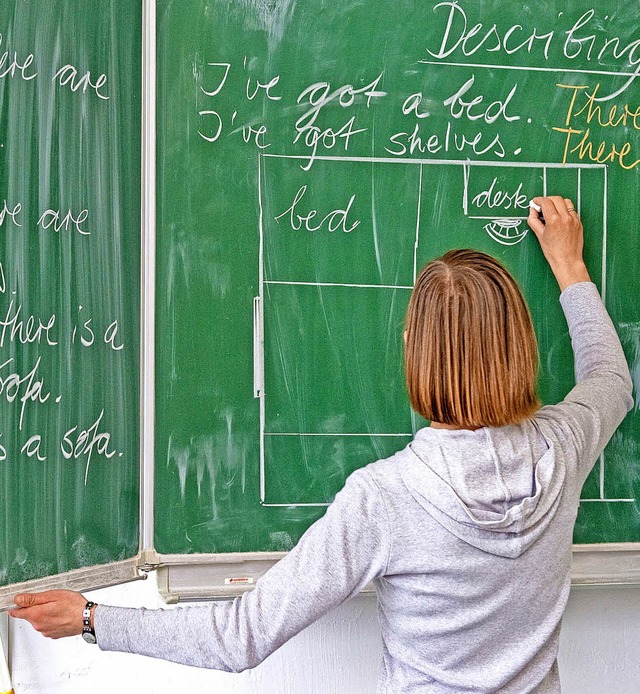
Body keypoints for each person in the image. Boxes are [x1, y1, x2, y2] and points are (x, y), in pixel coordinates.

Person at [9, 196, 633, 692]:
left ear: (415, 354)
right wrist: (570, 266)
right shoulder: (564, 447)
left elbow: (241, 637)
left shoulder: (385, 499)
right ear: (520, 347)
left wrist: (92, 620)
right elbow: (611, 379)